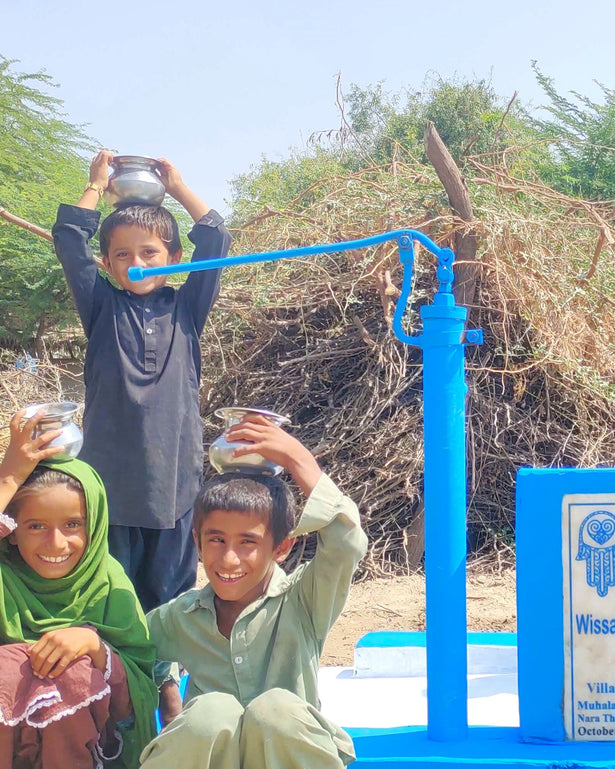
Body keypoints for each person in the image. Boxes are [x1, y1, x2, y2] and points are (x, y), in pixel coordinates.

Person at [51, 150, 231, 613]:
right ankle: (120, 676)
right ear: (107, 264)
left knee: (170, 593)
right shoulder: (101, 306)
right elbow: (70, 239)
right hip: (111, 480)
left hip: (174, 481)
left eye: (149, 253)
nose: (136, 263)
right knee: (112, 594)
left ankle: (164, 677)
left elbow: (215, 240)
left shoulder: (187, 308)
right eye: (123, 254)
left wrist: (176, 187)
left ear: (172, 258)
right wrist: (95, 185)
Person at [139, 414, 368, 768]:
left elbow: (346, 543)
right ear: (197, 542)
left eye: (248, 542)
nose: (229, 559)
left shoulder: (303, 600)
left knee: (276, 710)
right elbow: (133, 649)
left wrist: (297, 459)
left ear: (282, 548)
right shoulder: (181, 616)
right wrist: (168, 694)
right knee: (210, 712)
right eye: (216, 540)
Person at [0, 408, 158, 768]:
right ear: (11, 531)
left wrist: (93, 646)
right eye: (36, 526)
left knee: (74, 672)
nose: (56, 544)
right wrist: (8, 478)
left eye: (72, 524)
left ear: (96, 526)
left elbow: (139, 696)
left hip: (92, 751)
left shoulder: (108, 586)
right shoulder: (4, 579)